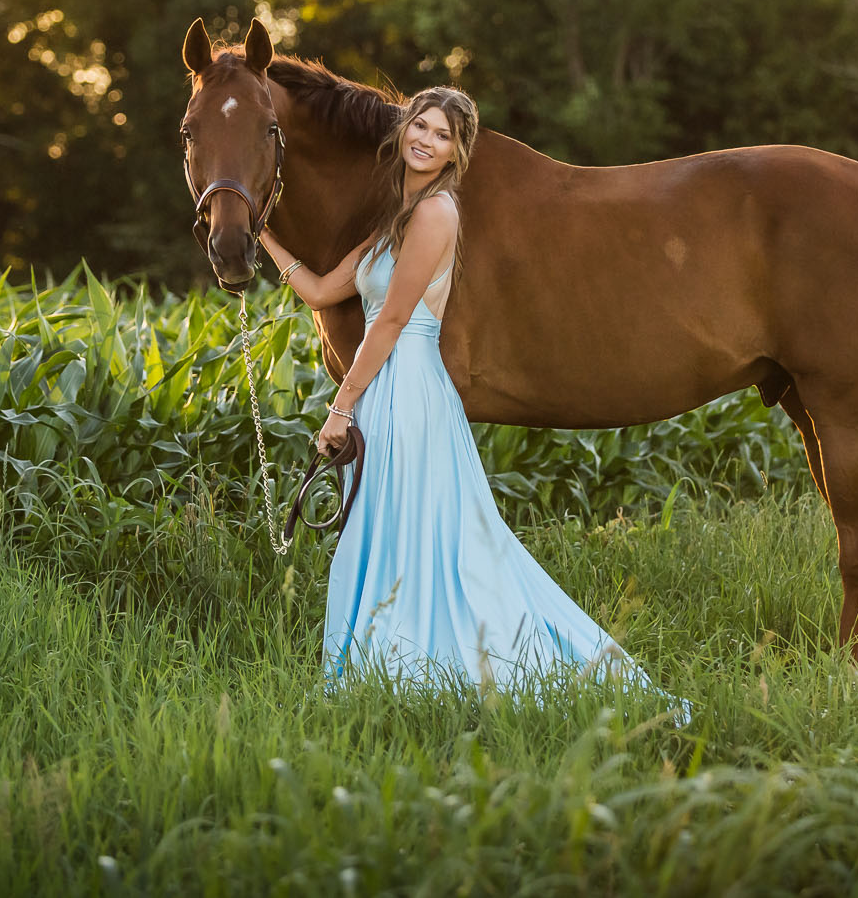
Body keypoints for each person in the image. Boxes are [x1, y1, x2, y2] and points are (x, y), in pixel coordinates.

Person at [257, 85, 674, 700]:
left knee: (423, 531)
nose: (426, 140)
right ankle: (381, 660)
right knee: (385, 528)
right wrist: (263, 231)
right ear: (403, 133)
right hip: (384, 388)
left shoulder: (435, 214)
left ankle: (419, 664)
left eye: (442, 135)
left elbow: (394, 320)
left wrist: (340, 408)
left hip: (410, 386)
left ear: (457, 153)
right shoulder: (393, 216)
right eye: (419, 127)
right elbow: (321, 291)